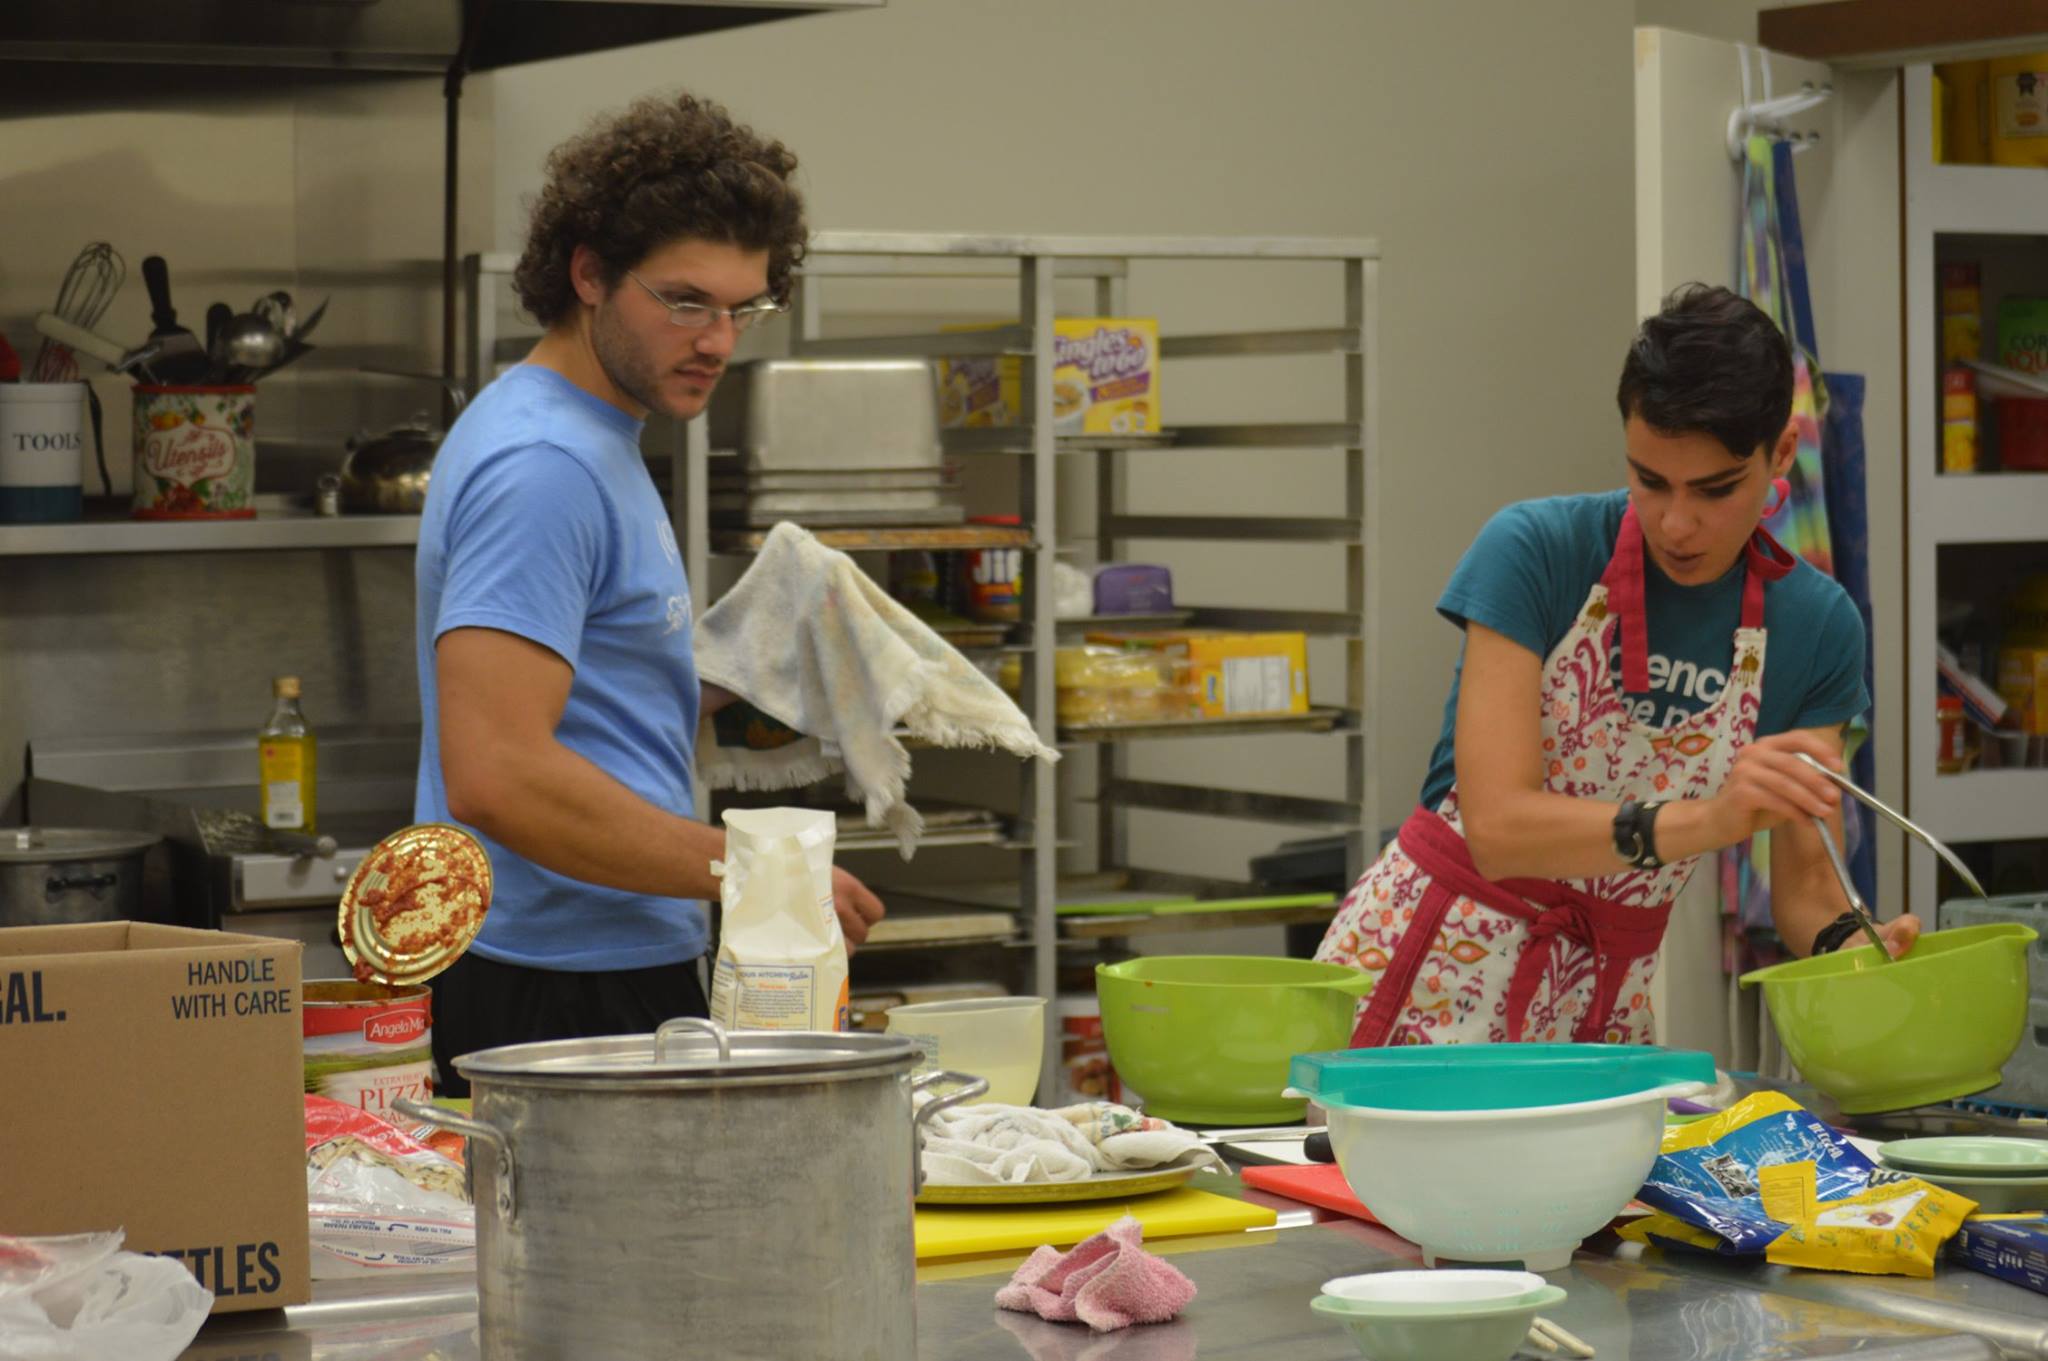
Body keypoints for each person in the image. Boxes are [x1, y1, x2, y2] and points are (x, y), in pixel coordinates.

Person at [415, 92, 885, 1093]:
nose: (718, 339)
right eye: (683, 301)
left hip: (605, 953)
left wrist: (748, 656)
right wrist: (761, 873)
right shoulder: (545, 465)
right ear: (586, 272)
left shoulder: (593, 431)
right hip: (553, 981)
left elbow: (583, 697)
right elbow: (494, 771)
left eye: (743, 307)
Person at [1315, 283, 1917, 1048]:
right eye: (1649, 480)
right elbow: (1498, 826)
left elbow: (1804, 883)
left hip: (1599, 1014)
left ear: (1780, 456)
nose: (1676, 522)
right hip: (1420, 987)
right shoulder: (1537, 550)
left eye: (1716, 489)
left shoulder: (1818, 628)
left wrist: (1852, 948)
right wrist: (1708, 820)